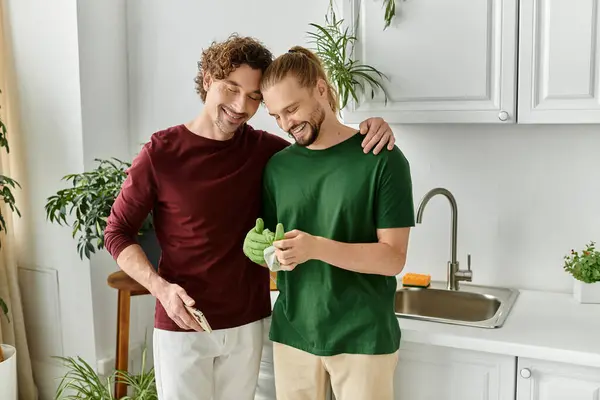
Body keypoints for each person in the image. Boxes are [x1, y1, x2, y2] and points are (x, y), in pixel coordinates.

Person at [103, 34, 398, 400]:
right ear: (208, 80)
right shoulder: (161, 153)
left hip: (249, 325)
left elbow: (322, 142)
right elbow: (117, 232)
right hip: (183, 325)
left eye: (255, 97)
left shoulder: (267, 152)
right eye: (231, 89)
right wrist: (160, 289)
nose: (241, 105)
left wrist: (370, 128)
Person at [243, 45, 415, 400]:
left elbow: (393, 258)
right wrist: (265, 252)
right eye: (275, 116)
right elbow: (280, 253)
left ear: (321, 89)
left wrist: (316, 248)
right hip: (294, 334)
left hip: (363, 336)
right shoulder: (278, 168)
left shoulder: (382, 159)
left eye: (291, 109)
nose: (286, 124)